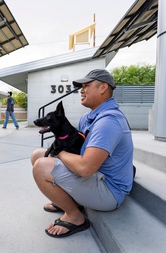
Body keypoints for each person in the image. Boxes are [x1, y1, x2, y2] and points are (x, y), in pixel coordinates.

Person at [31, 69, 134, 238]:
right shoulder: (88, 117)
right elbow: (77, 151)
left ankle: (75, 216)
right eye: (81, 86)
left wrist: (59, 152)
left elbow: (86, 168)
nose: (82, 90)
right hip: (95, 177)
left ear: (103, 88)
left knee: (42, 166)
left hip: (109, 191)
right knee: (37, 155)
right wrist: (58, 151)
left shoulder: (108, 122)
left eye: (86, 86)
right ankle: (65, 201)